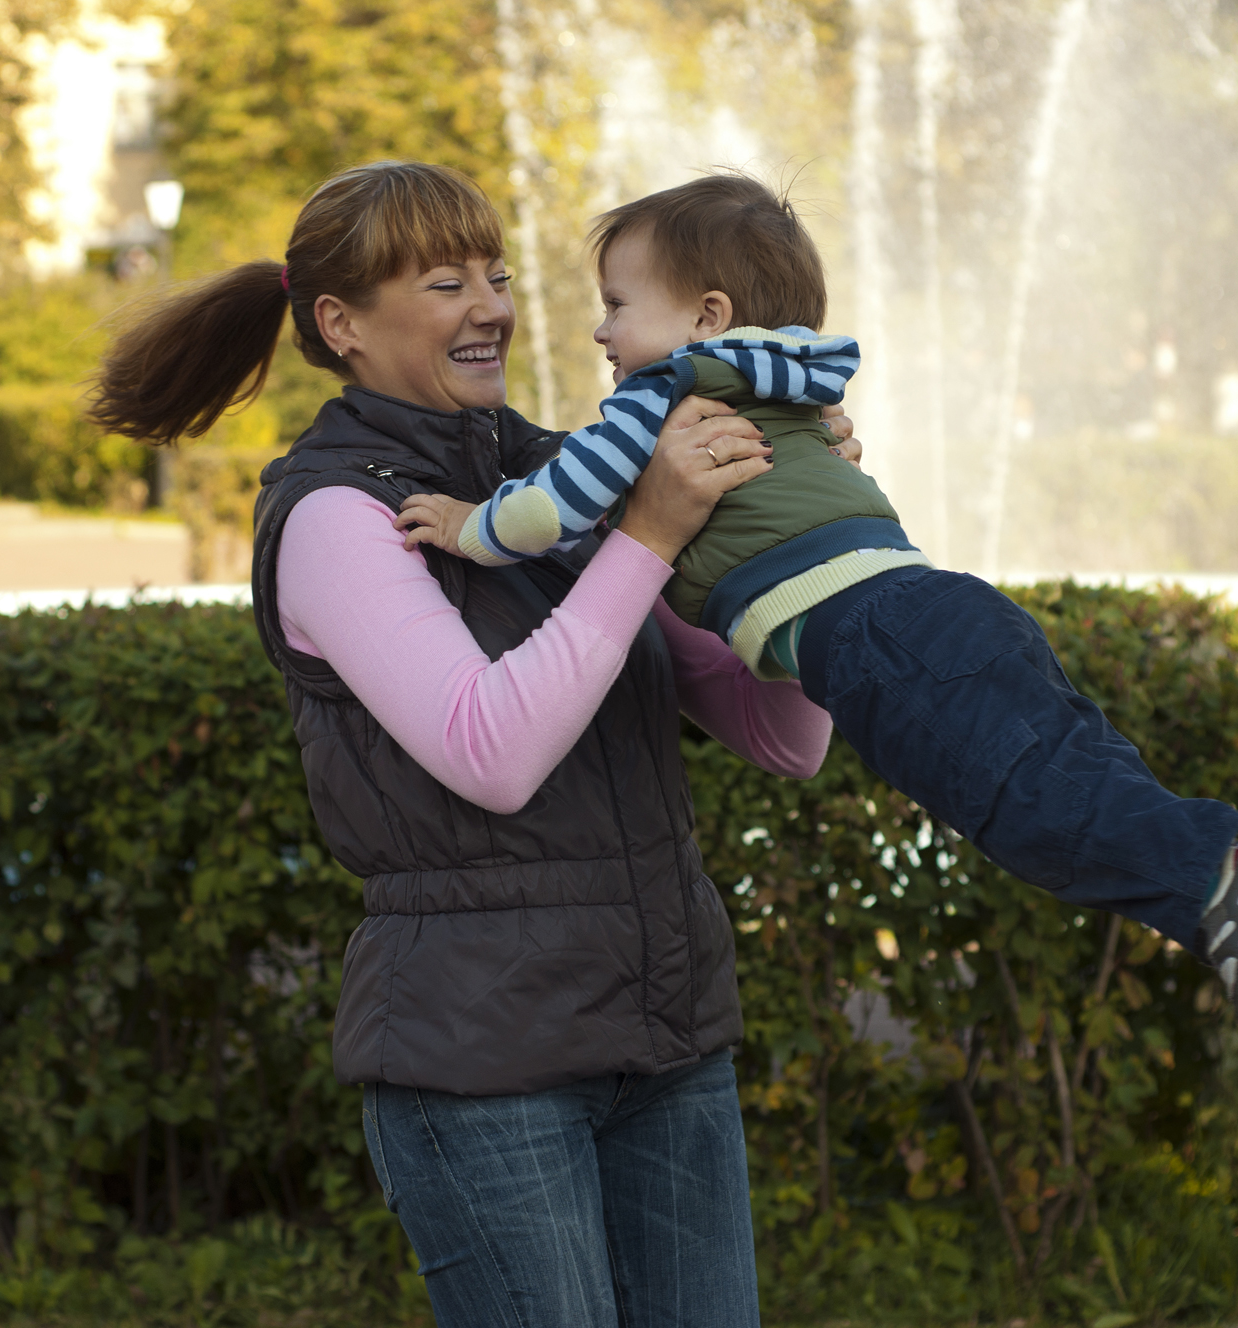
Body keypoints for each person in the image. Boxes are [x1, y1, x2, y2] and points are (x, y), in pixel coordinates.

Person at [397, 173, 1238, 1098]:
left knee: (1030, 813)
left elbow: (552, 507)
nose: (601, 331)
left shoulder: (663, 399)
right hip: (942, 608)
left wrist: (468, 526)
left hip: (877, 642)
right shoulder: (795, 386)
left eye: (616, 305)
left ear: (708, 316)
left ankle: (1229, 878)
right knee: (1073, 789)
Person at [88, 160, 843, 1327]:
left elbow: (780, 733)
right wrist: (646, 535)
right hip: (482, 1069)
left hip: (667, 1038)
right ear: (340, 323)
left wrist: (807, 534)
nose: (490, 305)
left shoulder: (565, 478)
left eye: (495, 275)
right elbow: (489, 749)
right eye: (445, 283)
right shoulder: (336, 514)